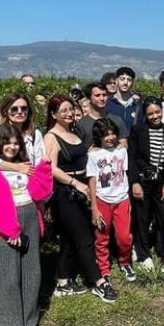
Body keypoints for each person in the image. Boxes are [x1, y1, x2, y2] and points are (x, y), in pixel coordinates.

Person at [0, 125, 53, 326]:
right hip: (5, 225)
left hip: (29, 215)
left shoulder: (24, 166)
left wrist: (43, 167)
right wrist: (10, 230)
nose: (11, 147)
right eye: (7, 143)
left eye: (15, 143)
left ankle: (29, 320)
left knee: (32, 270)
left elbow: (40, 192)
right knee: (9, 275)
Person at [0, 93, 45, 324]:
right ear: (6, 111)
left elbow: (39, 165)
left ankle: (28, 313)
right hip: (3, 203)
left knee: (30, 263)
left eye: (24, 108)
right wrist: (16, 168)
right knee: (0, 260)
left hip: (28, 201)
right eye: (14, 109)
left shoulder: (34, 134)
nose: (19, 113)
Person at [44, 95, 119, 302]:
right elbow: (51, 168)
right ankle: (98, 282)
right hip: (66, 193)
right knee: (84, 238)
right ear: (53, 114)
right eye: (63, 111)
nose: (69, 114)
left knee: (69, 239)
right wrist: (74, 183)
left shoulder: (75, 131)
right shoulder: (51, 137)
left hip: (83, 188)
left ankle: (63, 281)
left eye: (71, 109)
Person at [128, 98, 164, 272]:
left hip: (162, 183)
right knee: (142, 219)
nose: (155, 116)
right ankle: (144, 255)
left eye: (157, 112)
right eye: (150, 113)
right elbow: (132, 157)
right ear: (145, 114)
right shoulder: (137, 130)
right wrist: (135, 182)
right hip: (143, 182)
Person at [87, 118, 135, 284]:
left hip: (122, 199)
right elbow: (92, 180)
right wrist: (94, 207)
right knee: (102, 237)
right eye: (105, 135)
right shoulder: (93, 155)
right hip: (102, 200)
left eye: (113, 134)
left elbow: (125, 173)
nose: (110, 138)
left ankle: (125, 262)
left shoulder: (122, 151)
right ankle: (103, 268)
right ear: (98, 137)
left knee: (124, 237)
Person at [75, 83, 128, 149]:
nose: (102, 98)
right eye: (97, 95)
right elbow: (77, 150)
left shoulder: (117, 120)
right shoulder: (81, 125)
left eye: (104, 95)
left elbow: (124, 145)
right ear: (89, 98)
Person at [106, 67, 141, 131]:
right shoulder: (107, 103)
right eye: (122, 79)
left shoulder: (138, 105)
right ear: (116, 81)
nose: (125, 83)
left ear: (132, 83)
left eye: (129, 80)